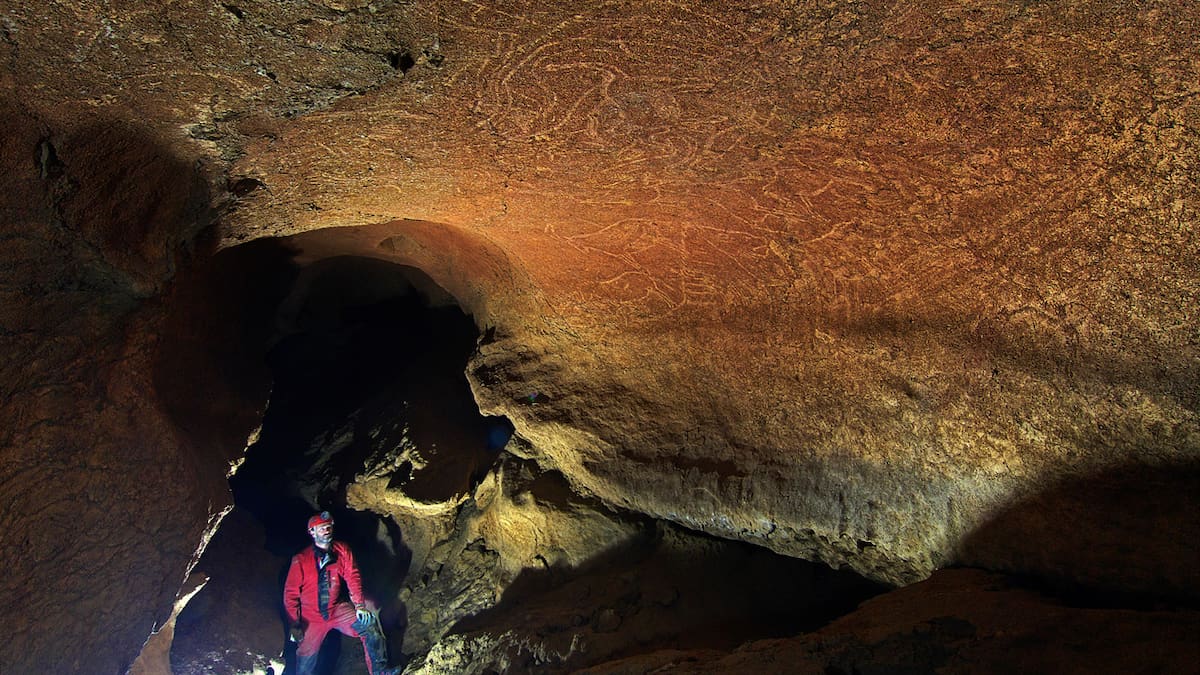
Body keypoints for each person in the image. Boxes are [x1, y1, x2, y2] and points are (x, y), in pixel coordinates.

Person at [283, 511, 398, 675]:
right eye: (321, 528)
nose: (326, 530)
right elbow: (290, 594)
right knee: (305, 660)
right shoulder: (301, 559)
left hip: (336, 610)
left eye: (328, 527)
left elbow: (353, 576)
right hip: (311, 618)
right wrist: (294, 624)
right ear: (312, 532)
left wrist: (359, 605)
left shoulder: (341, 550)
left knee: (369, 626)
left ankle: (380, 671)